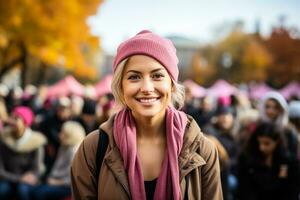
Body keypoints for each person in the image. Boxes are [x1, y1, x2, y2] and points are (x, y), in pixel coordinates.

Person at [71, 30, 223, 200]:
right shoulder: (93, 148)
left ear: (172, 84)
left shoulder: (203, 150)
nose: (147, 88)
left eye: (157, 76)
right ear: (121, 87)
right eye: (134, 77)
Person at [237, 122, 300, 200]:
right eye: (259, 143)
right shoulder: (247, 159)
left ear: (277, 142)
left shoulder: (288, 161)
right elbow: (245, 189)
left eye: (267, 143)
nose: (261, 148)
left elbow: (291, 190)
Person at [0, 106, 47, 200]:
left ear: (25, 123)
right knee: (2, 190)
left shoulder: (35, 142)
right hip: (8, 178)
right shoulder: (4, 139)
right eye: (11, 117)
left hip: (27, 180)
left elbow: (36, 169)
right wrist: (18, 178)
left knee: (23, 191)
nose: (11, 121)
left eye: (16, 118)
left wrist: (29, 178)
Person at [31, 121, 85, 200]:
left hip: (67, 187)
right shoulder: (64, 146)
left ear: (71, 136)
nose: (59, 135)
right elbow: (56, 167)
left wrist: (54, 182)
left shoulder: (74, 151)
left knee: (39, 193)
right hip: (56, 180)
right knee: (33, 189)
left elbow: (72, 179)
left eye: (63, 133)